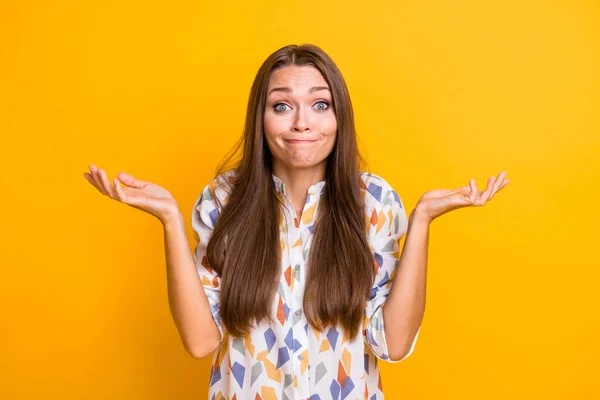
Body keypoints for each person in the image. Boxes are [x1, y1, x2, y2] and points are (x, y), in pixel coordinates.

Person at [84, 43, 509, 399]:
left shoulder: (374, 201)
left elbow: (392, 343)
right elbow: (200, 341)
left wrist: (420, 223)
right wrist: (171, 221)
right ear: (260, 118)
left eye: (320, 104)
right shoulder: (223, 200)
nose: (302, 122)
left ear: (339, 117)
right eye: (282, 105)